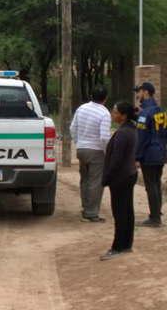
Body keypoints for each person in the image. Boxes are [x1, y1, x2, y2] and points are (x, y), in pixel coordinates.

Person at [100, 102, 138, 261]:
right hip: (129, 174)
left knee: (120, 212)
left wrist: (107, 177)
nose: (112, 114)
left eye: (115, 112)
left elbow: (116, 160)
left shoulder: (122, 133)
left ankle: (117, 246)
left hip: (120, 177)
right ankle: (127, 243)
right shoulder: (132, 130)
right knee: (127, 210)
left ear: (123, 116)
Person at [70, 85, 112, 222]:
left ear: (91, 96)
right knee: (96, 182)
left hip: (81, 150)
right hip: (96, 151)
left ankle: (85, 207)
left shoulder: (81, 109)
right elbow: (105, 137)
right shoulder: (104, 113)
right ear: (105, 98)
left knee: (85, 179)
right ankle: (92, 213)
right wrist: (107, 151)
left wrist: (78, 142)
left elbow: (72, 128)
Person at [134, 82, 167, 227]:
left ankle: (154, 218)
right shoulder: (160, 110)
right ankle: (157, 212)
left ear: (145, 92)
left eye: (139, 92)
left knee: (151, 185)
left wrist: (136, 157)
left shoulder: (144, 113)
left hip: (149, 154)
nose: (137, 95)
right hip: (160, 152)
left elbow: (141, 137)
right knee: (156, 183)